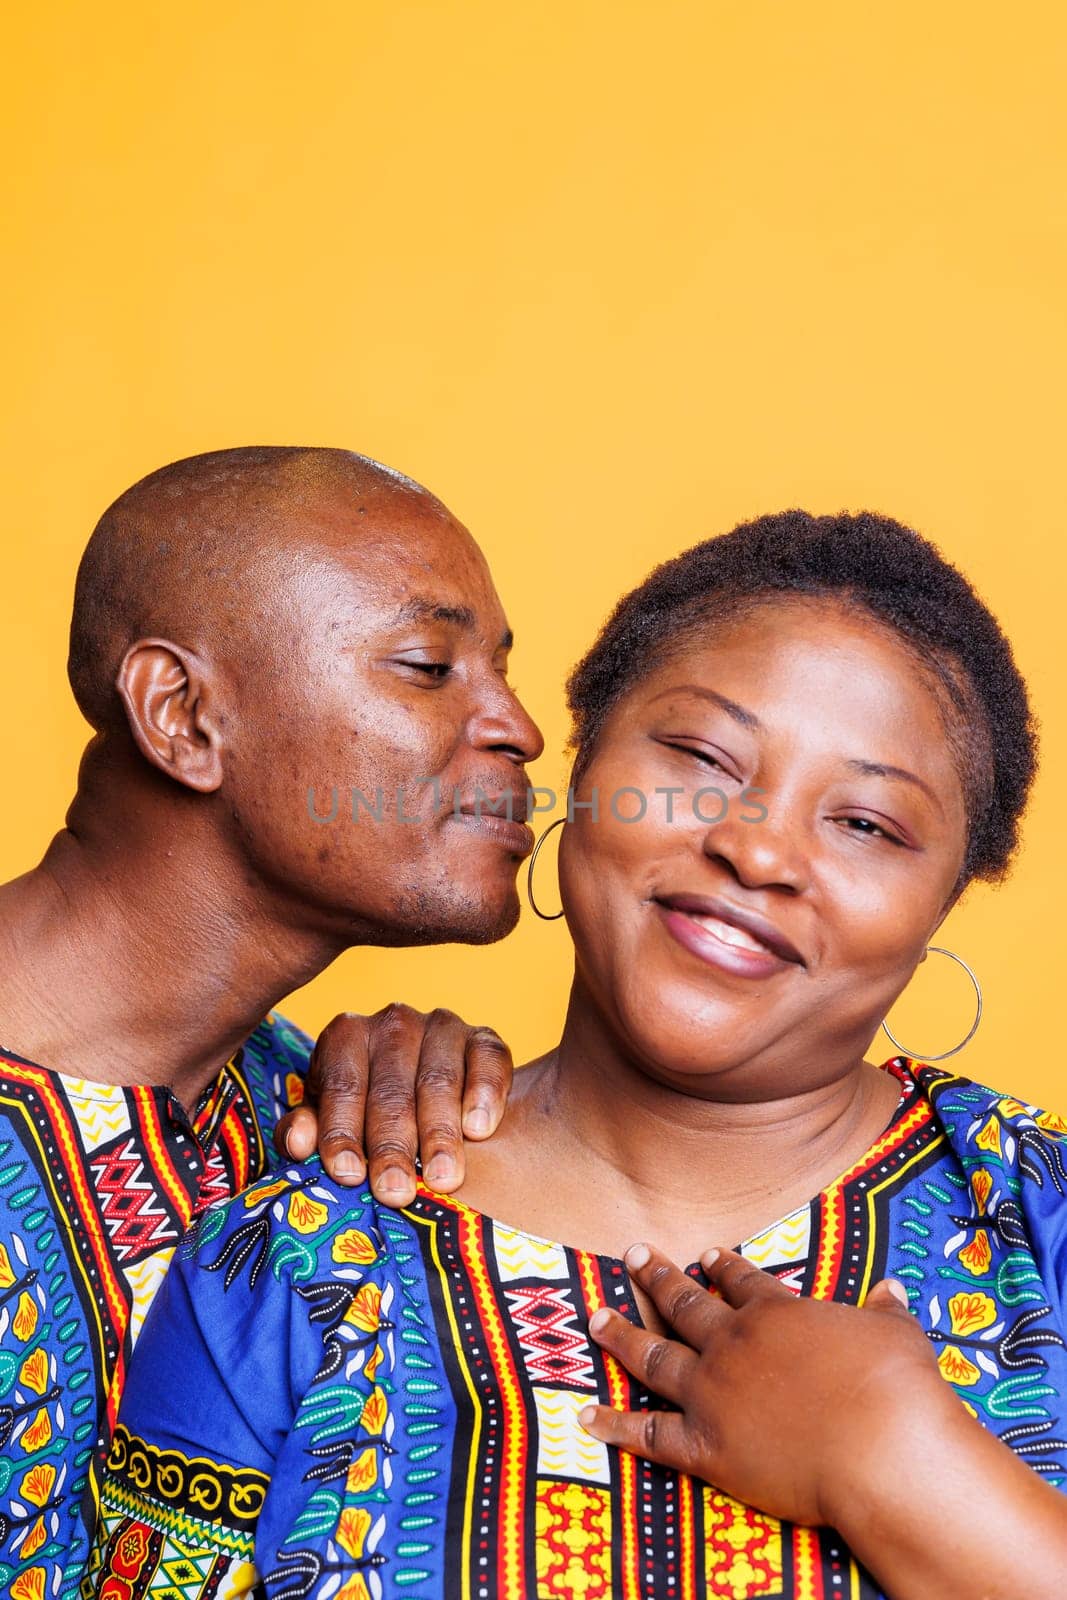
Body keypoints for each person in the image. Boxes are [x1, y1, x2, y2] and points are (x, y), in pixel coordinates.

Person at [90, 509, 1067, 1600]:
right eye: (698, 756)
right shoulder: (281, 1262)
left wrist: (898, 1465)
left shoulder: (1036, 1220)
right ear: (582, 763)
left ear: (941, 902)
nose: (754, 848)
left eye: (866, 825)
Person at [0, 444, 544, 1599]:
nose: (519, 729)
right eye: (425, 664)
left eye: (498, 669)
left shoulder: (329, 1129)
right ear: (183, 714)